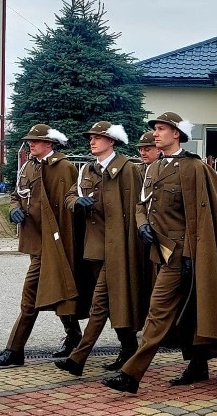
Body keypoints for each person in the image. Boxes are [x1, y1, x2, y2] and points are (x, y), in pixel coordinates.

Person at [102, 111, 217, 393]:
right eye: (155, 129)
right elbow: (142, 205)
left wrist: (190, 255)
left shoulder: (194, 168)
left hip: (181, 255)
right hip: (159, 252)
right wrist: (142, 225)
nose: (156, 134)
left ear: (176, 134)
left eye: (162, 129)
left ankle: (131, 374)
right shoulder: (152, 169)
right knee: (191, 312)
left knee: (157, 312)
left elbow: (202, 217)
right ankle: (198, 365)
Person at [53, 121, 148, 376]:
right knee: (111, 302)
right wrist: (77, 202)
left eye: (98, 137)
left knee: (100, 303)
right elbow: (70, 196)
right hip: (94, 247)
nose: (92, 141)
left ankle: (78, 358)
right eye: (91, 137)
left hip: (119, 247)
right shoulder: (87, 169)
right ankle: (129, 348)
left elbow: (140, 204)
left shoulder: (127, 170)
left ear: (112, 141)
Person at [0, 124, 82, 367]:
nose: (31, 144)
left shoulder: (64, 168)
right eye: (30, 141)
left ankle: (14, 350)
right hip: (35, 241)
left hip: (55, 243)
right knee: (54, 290)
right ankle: (74, 335)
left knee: (30, 296)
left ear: (49, 144)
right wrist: (15, 210)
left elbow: (68, 209)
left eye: (36, 141)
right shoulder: (29, 165)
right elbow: (17, 195)